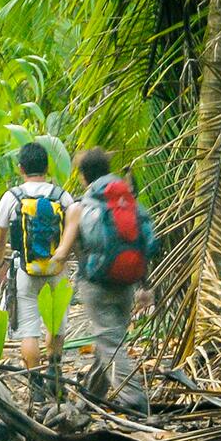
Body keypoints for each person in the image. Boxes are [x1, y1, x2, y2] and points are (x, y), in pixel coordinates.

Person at [52, 146, 157, 415]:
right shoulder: (129, 202)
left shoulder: (81, 207)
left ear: (83, 175)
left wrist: (51, 263)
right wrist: (145, 286)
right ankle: (91, 394)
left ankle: (133, 397)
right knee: (111, 338)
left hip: (96, 282)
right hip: (128, 280)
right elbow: (144, 241)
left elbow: (64, 250)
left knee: (110, 342)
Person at [0, 141, 75, 373]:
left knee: (29, 329)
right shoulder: (62, 197)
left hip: (25, 270)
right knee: (55, 325)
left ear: (20, 168)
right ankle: (54, 376)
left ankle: (35, 382)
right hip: (57, 270)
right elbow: (73, 232)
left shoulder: (12, 197)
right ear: (47, 168)